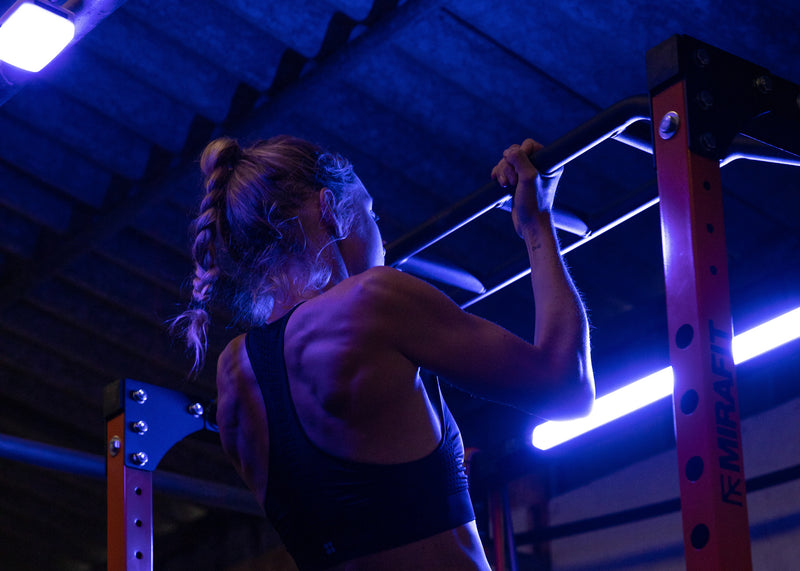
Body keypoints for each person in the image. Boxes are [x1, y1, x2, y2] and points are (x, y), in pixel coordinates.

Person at [171, 134, 594, 570]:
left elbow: (363, 507)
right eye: (371, 213)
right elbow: (568, 388)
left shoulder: (233, 377)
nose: (384, 239)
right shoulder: (371, 299)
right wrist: (536, 223)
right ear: (330, 210)